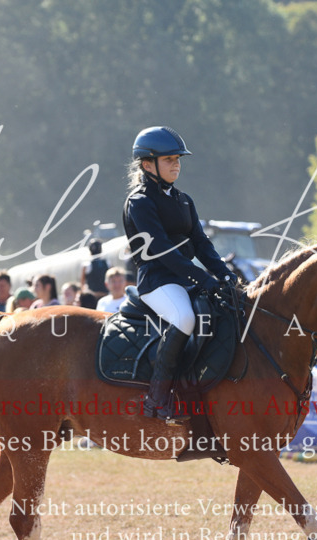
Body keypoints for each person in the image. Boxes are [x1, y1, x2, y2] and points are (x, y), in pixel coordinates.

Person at [123, 126, 236, 423]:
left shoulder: (184, 200)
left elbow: (201, 243)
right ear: (148, 165)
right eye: (169, 159)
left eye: (178, 159)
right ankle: (158, 399)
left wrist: (224, 274)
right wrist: (204, 279)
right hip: (157, 280)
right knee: (185, 318)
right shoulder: (140, 201)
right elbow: (160, 249)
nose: (176, 164)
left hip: (185, 280)